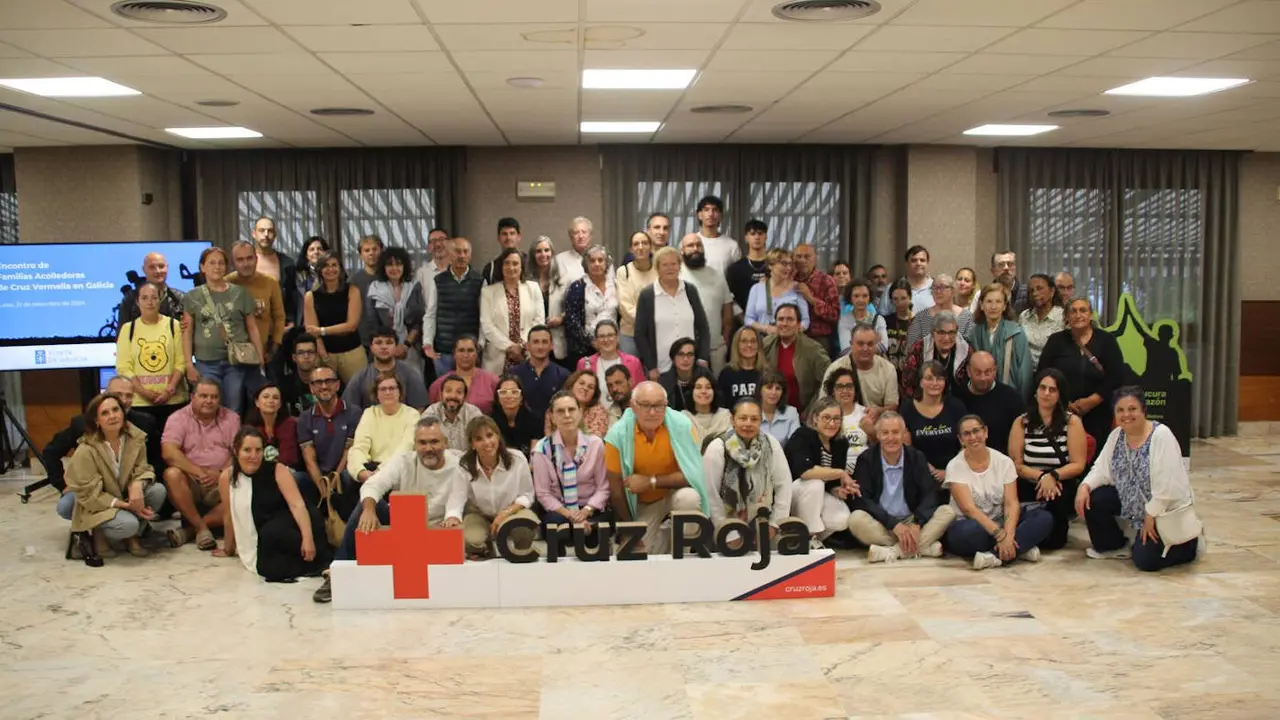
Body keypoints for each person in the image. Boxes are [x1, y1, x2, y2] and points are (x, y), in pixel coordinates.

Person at [321, 417, 465, 602]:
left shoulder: (460, 464)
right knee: (367, 505)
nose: (428, 448)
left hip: (441, 527)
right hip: (404, 527)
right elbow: (374, 484)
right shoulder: (404, 461)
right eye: (422, 442)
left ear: (446, 443)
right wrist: (369, 509)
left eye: (434, 442)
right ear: (415, 444)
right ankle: (337, 574)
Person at [1076, 387, 1201, 571]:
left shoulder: (1161, 436)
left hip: (1163, 511)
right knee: (1095, 498)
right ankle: (1113, 545)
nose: (1126, 415)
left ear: (1143, 410)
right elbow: (1101, 469)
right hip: (1135, 504)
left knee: (1145, 561)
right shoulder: (1116, 436)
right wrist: (1084, 486)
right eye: (1120, 410)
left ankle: (1186, 546)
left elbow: (1169, 486)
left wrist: (1152, 513)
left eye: (1132, 409)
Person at [604, 381, 711, 554]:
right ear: (633, 406)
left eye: (659, 406)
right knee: (638, 554)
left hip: (674, 493)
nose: (652, 412)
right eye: (645, 405)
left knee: (689, 498)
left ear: (666, 405)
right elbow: (616, 491)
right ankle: (662, 542)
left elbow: (693, 475)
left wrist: (650, 481)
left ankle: (683, 555)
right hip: (642, 503)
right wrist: (631, 529)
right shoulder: (617, 435)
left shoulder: (682, 425)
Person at [214, 428, 330, 583]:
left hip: (294, 527)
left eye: (258, 450)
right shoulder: (227, 477)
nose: (253, 456)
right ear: (236, 451)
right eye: (247, 450)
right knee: (268, 567)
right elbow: (229, 515)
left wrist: (307, 538)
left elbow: (297, 505)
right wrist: (228, 548)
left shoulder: (277, 469)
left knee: (274, 533)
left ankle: (323, 563)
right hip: (266, 541)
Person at [66, 392, 165, 565]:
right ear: (96, 421)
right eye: (105, 413)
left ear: (123, 413)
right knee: (128, 524)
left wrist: (137, 484)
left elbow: (144, 468)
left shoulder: (136, 438)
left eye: (115, 410)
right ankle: (99, 533)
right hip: (97, 505)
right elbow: (90, 495)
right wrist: (128, 506)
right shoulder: (86, 450)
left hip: (125, 495)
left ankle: (131, 538)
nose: (112, 416)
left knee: (157, 491)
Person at [944, 415, 1054, 570]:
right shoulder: (954, 466)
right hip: (974, 525)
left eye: (976, 431)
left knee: (1044, 518)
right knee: (967, 533)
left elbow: (1011, 503)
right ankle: (1019, 549)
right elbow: (970, 510)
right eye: (967, 434)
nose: (973, 437)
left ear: (986, 432)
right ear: (961, 439)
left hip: (1001, 522)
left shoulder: (1004, 462)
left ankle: (995, 556)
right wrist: (1000, 536)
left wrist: (1008, 535)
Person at [47, 377, 160, 526]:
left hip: (128, 487)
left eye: (129, 395)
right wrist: (62, 485)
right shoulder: (81, 424)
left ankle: (137, 529)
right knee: (66, 506)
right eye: (118, 395)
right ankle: (97, 530)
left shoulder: (144, 423)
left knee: (158, 491)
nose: (124, 400)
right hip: (95, 490)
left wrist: (138, 483)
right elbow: (50, 452)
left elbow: (155, 461)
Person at [848, 412, 956, 562]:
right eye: (885, 433)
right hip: (882, 523)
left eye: (895, 432)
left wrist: (917, 522)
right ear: (878, 435)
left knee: (948, 511)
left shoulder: (917, 457)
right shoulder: (866, 459)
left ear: (904, 434)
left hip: (912, 520)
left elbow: (930, 494)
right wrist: (893, 524)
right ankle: (921, 547)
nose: (891, 438)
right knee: (856, 519)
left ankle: (893, 551)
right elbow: (862, 499)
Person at [1009, 368, 1088, 551]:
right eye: (1042, 388)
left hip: (1060, 482)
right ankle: (1020, 543)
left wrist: (1052, 476)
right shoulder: (1021, 422)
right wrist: (1041, 477)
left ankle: (1031, 543)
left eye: (1052, 389)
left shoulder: (1072, 422)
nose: (1046, 393)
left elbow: (1078, 464)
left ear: (1060, 394)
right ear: (1035, 391)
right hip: (1030, 481)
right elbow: (1016, 464)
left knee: (1055, 541)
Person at [1037, 297, 1126, 454]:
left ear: (1091, 315)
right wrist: (1064, 402)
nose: (1078, 315)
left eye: (1083, 310)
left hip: (1098, 412)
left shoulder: (1106, 341)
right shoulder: (1056, 341)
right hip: (1061, 412)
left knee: (1096, 459)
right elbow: (1043, 373)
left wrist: (1092, 401)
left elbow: (1116, 376)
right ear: (1066, 317)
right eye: (1073, 311)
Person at [182, 247, 265, 417]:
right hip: (206, 362)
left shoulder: (240, 293)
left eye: (221, 263)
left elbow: (252, 327)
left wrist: (260, 358)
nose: (217, 267)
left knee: (234, 408)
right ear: (202, 267)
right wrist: (189, 365)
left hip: (235, 362)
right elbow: (187, 331)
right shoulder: (192, 296)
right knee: (207, 408)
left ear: (227, 267)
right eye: (211, 263)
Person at [161, 377, 239, 551]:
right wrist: (199, 472)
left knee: (244, 488)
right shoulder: (177, 418)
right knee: (171, 474)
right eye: (203, 396)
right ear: (192, 397)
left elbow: (239, 453)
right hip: (192, 480)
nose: (209, 401)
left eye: (214, 397)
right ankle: (202, 528)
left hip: (223, 479)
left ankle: (191, 530)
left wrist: (220, 473)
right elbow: (169, 452)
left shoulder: (232, 418)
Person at [703, 396, 794, 543]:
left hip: (763, 519)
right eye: (743, 418)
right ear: (733, 420)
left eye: (754, 419)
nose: (748, 424)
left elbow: (784, 485)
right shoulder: (717, 447)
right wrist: (727, 531)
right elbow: (710, 494)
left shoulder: (771, 444)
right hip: (723, 523)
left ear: (760, 420)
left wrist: (774, 523)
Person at [450, 416, 538, 559]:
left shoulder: (517, 458)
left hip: (512, 510)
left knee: (524, 530)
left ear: (498, 436)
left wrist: (505, 513)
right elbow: (457, 497)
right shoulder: (464, 465)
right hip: (480, 513)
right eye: (479, 439)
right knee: (471, 542)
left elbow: (527, 495)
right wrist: (453, 516)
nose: (487, 442)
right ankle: (486, 550)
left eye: (490, 435)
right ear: (472, 444)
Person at [532, 391, 609, 529]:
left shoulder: (596, 444)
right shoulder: (542, 449)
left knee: (598, 528)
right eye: (560, 411)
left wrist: (586, 511)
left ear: (580, 413)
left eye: (571, 409)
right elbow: (543, 493)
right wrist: (570, 515)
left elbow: (603, 487)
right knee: (554, 525)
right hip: (560, 510)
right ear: (552, 417)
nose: (567, 415)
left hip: (590, 507)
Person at [116, 282, 187, 431]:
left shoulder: (174, 326)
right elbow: (124, 367)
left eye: (154, 297)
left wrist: (169, 390)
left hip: (173, 401)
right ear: (137, 301)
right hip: (140, 404)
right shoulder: (128, 329)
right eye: (145, 298)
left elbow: (181, 362)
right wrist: (143, 392)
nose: (149, 302)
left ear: (160, 299)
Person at [635, 247, 712, 379]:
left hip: (691, 368)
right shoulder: (647, 295)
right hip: (661, 369)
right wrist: (651, 366)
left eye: (673, 264)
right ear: (657, 268)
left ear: (680, 266)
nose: (670, 268)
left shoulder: (690, 290)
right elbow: (640, 335)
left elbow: (703, 327)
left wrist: (703, 357)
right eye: (665, 265)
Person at [786, 398, 854, 548]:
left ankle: (803, 538)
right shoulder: (802, 435)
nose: (832, 423)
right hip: (794, 493)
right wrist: (841, 473)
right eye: (826, 417)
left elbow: (831, 482)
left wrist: (837, 490)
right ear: (815, 418)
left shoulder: (840, 443)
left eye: (837, 418)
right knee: (815, 483)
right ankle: (810, 538)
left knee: (842, 519)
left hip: (818, 493)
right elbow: (804, 472)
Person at [295, 365, 361, 515]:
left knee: (348, 476)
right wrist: (324, 490)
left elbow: (348, 451)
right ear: (311, 388)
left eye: (329, 381)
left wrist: (332, 484)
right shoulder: (305, 418)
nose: (324, 386)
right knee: (296, 478)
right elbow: (309, 459)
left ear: (337, 385)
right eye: (318, 382)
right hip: (317, 478)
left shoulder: (353, 412)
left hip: (343, 474)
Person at [226, 240, 286, 388]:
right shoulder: (226, 283)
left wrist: (274, 348)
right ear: (232, 263)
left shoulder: (270, 283)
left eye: (249, 258)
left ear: (256, 259)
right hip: (232, 357)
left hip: (264, 353)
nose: (246, 263)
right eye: (240, 260)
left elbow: (279, 317)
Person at [899, 361, 966, 490]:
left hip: (956, 475)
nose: (935, 383)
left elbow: (966, 443)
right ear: (920, 382)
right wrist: (927, 468)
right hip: (918, 475)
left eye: (939, 379)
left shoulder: (956, 406)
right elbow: (905, 446)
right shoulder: (907, 409)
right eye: (929, 378)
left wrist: (949, 471)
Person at [479, 247, 546, 375]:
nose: (511, 267)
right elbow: (487, 326)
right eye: (507, 263)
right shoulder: (488, 292)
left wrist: (522, 346)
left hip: (527, 353)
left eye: (515, 263)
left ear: (522, 267)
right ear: (501, 266)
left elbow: (539, 321)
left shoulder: (533, 288)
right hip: (497, 357)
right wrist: (510, 347)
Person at [424, 237, 484, 377]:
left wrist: (480, 344)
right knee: (447, 391)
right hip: (443, 350)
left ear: (470, 255)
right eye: (458, 251)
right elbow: (430, 314)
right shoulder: (438, 280)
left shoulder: (480, 280)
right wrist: (427, 343)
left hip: (470, 350)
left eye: (465, 252)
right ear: (449, 254)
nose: (462, 256)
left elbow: (483, 316)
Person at [303, 250, 366, 383]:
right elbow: (312, 331)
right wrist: (324, 357)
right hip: (324, 353)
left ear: (340, 268)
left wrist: (322, 330)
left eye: (334, 265)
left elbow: (351, 325)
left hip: (352, 352)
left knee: (361, 393)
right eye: (326, 266)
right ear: (320, 270)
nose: (330, 269)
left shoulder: (352, 291)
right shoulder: (310, 296)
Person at [679, 233, 735, 374]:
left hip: (716, 348)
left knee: (717, 389)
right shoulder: (676, 276)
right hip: (684, 350)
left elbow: (727, 313)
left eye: (699, 245)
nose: (695, 248)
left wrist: (725, 342)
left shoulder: (717, 276)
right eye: (690, 245)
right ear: (682, 250)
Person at [365, 246, 426, 374]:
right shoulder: (374, 289)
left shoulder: (414, 286)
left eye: (398, 264)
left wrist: (405, 345)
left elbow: (418, 321)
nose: (394, 268)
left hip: (410, 347)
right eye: (390, 265)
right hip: (383, 347)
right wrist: (388, 346)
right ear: (383, 267)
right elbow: (373, 324)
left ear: (405, 266)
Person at [348, 373, 419, 483]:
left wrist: (380, 473)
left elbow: (405, 450)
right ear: (376, 394)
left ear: (399, 392)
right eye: (383, 389)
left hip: (400, 471)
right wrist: (360, 472)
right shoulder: (369, 413)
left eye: (392, 388)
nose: (387, 392)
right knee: (347, 478)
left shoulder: (412, 415)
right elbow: (359, 447)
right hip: (371, 470)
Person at [967, 282, 1032, 399]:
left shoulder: (1016, 332)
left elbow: (1025, 371)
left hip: (1011, 396)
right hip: (981, 396)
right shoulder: (974, 334)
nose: (993, 306)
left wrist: (1021, 401)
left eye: (998, 302)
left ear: (1005, 306)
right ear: (981, 305)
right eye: (989, 301)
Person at [762, 303, 830, 415]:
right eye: (781, 319)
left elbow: (828, 381)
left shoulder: (813, 349)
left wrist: (812, 411)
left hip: (804, 414)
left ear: (799, 324)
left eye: (790, 319)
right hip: (770, 412)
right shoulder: (765, 345)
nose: (784, 323)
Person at [342, 327, 430, 412]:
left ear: (396, 346)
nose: (384, 347)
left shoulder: (410, 373)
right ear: (371, 347)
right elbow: (349, 409)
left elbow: (420, 408)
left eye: (389, 342)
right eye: (378, 343)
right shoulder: (360, 377)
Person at [953, 351, 1024, 455]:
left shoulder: (1011, 397)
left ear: (995, 371)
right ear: (968, 371)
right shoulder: (956, 397)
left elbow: (1020, 436)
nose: (983, 378)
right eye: (978, 372)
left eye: (988, 372)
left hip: (1002, 460)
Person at [821, 323, 899, 418]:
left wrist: (878, 411)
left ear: (876, 345)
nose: (865, 348)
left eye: (870, 344)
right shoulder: (835, 368)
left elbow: (892, 406)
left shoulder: (888, 369)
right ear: (851, 344)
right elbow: (823, 404)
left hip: (874, 423)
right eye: (860, 344)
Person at [562, 244, 618, 370]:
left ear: (607, 263)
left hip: (613, 345)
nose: (597, 264)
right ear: (586, 264)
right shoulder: (577, 287)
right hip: (586, 348)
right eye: (592, 261)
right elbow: (572, 321)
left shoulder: (615, 285)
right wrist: (592, 342)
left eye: (600, 260)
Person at [899, 311, 970, 402]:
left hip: (957, 402)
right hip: (924, 402)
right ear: (933, 332)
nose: (946, 338)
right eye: (941, 332)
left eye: (951, 332)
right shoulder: (919, 348)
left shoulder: (966, 350)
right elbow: (908, 383)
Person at [577, 319, 644, 411]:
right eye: (601, 336)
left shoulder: (634, 362)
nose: (606, 340)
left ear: (617, 337)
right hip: (595, 417)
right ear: (595, 340)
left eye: (610, 335)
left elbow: (641, 392)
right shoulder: (584, 364)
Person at [509, 325, 571, 422]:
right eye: (536, 342)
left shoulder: (564, 375)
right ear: (528, 346)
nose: (540, 346)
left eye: (544, 342)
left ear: (551, 345)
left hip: (554, 430)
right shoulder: (514, 374)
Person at [744, 248, 810, 335]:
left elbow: (805, 320)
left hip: (789, 342)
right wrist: (765, 328)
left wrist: (791, 332)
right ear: (770, 265)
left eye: (790, 264)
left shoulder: (797, 288)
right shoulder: (756, 289)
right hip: (763, 341)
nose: (788, 268)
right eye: (784, 263)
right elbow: (748, 319)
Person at [427, 336, 499, 414]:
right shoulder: (437, 385)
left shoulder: (493, 381)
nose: (465, 355)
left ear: (476, 354)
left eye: (470, 350)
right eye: (461, 350)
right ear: (454, 354)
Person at [792, 243, 840, 355]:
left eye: (807, 256)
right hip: (792, 335)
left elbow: (834, 315)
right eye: (798, 256)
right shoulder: (789, 279)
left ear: (815, 259)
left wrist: (811, 298)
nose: (802, 260)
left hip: (818, 337)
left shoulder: (826, 280)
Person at [905, 272, 973, 352]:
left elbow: (970, 348)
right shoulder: (921, 317)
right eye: (934, 288)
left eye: (942, 287)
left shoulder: (966, 317)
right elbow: (911, 347)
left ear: (953, 291)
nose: (938, 291)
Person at [614, 231, 656, 358]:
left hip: (655, 334)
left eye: (644, 243)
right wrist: (648, 323)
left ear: (651, 247)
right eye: (636, 244)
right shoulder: (624, 271)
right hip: (629, 334)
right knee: (630, 373)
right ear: (631, 249)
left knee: (654, 374)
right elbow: (625, 306)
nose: (641, 247)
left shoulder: (659, 270)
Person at [118, 251, 185, 326]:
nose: (158, 271)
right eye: (152, 267)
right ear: (143, 269)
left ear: (167, 268)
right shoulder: (130, 299)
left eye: (161, 266)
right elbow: (122, 333)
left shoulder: (180, 297)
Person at [824, 367, 873, 467]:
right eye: (840, 387)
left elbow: (877, 445)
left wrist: (871, 432)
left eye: (849, 386)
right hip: (836, 469)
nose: (845, 391)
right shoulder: (826, 416)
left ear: (855, 389)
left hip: (864, 467)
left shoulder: (865, 412)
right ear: (833, 391)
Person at [244, 383, 299, 469]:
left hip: (287, 471)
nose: (271, 401)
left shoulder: (289, 424)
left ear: (280, 404)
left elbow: (289, 458)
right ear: (257, 402)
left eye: (275, 398)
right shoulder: (250, 427)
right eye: (266, 397)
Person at [422, 374, 485, 450]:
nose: (453, 396)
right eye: (448, 391)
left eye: (459, 392)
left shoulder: (473, 414)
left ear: (465, 397)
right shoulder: (431, 413)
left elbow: (481, 445)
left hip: (467, 461)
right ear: (441, 395)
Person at [726, 219, 770, 322]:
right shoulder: (735, 268)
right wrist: (745, 320)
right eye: (752, 234)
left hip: (771, 324)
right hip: (742, 324)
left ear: (766, 237)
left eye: (760, 233)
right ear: (746, 238)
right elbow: (729, 298)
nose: (757, 237)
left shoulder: (775, 266)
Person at [658, 337, 715, 415]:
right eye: (681, 354)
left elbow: (716, 402)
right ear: (673, 358)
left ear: (695, 358)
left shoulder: (705, 375)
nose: (685, 359)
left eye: (690, 354)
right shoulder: (664, 381)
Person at [547, 369, 611, 437]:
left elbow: (594, 442)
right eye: (582, 383)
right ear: (571, 385)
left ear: (594, 394)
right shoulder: (555, 408)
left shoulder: (599, 412)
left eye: (590, 387)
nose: (585, 388)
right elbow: (549, 440)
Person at [1018, 273, 1064, 367]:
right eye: (1031, 291)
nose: (1035, 293)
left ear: (1052, 291)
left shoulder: (1063, 316)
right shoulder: (1024, 316)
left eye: (1039, 288)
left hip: (1053, 372)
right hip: (1026, 372)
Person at [489, 375, 539, 456]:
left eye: (514, 392)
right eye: (503, 392)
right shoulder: (490, 422)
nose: (509, 396)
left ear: (521, 397)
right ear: (497, 398)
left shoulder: (534, 420)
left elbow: (535, 455)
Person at [837, 279, 887, 354]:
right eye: (856, 296)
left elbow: (884, 346)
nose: (860, 300)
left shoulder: (879, 319)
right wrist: (874, 343)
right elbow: (846, 350)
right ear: (850, 298)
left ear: (870, 297)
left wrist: (856, 345)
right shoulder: (844, 320)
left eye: (865, 296)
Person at [694, 194, 741, 275]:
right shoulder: (690, 243)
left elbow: (737, 276)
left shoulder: (732, 245)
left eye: (715, 210)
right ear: (699, 215)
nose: (711, 214)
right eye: (706, 210)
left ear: (720, 216)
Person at [881, 245, 934, 315]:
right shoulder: (892, 288)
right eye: (914, 260)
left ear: (927, 263)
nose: (918, 263)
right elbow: (882, 316)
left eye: (922, 260)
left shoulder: (936, 288)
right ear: (906, 263)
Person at [719, 325, 762, 406]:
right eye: (744, 341)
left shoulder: (767, 373)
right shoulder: (726, 374)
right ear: (736, 345)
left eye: (753, 341)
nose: (749, 345)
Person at [291, 236, 328, 326]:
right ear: (306, 255)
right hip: (306, 321)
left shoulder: (333, 271)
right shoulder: (299, 274)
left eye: (319, 249)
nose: (316, 252)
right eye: (312, 249)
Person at [759, 369, 801, 446]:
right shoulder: (751, 412)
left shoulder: (791, 412)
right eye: (769, 387)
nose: (773, 392)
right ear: (760, 390)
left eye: (778, 388)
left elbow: (796, 444)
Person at [683, 375, 731, 440]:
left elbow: (733, 446)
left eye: (708, 387)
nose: (703, 391)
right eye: (698, 387)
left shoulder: (725, 416)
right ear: (691, 392)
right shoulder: (683, 417)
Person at [282, 332, 320, 416]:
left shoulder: (329, 380)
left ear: (317, 356)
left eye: (310, 352)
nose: (306, 356)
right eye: (301, 353)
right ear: (294, 358)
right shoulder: (285, 385)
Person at [478, 217, 522, 285]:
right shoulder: (490, 269)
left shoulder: (529, 264)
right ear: (498, 238)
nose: (508, 237)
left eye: (512, 233)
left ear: (519, 237)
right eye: (504, 234)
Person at [554, 216, 593, 289]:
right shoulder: (558, 261)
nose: (581, 236)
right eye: (576, 233)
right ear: (571, 237)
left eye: (584, 232)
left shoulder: (601, 259)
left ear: (590, 235)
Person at [882, 280, 914, 371]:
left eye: (903, 298)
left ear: (910, 297)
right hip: (888, 372)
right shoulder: (884, 321)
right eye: (895, 299)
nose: (899, 303)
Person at [990, 250, 1029, 315]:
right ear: (993, 271)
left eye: (1010, 264)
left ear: (1015, 268)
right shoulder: (985, 294)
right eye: (1001, 265)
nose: (1006, 268)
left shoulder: (1028, 293)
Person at [347, 234, 383, 300]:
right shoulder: (354, 281)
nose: (371, 253)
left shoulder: (390, 277)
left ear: (381, 251)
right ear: (361, 255)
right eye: (367, 250)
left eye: (375, 249)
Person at [527, 235, 555, 320]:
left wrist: (561, 317)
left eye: (546, 250)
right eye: (538, 251)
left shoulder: (561, 277)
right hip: (533, 329)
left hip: (557, 328)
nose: (543, 254)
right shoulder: (526, 280)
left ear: (552, 253)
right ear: (533, 255)